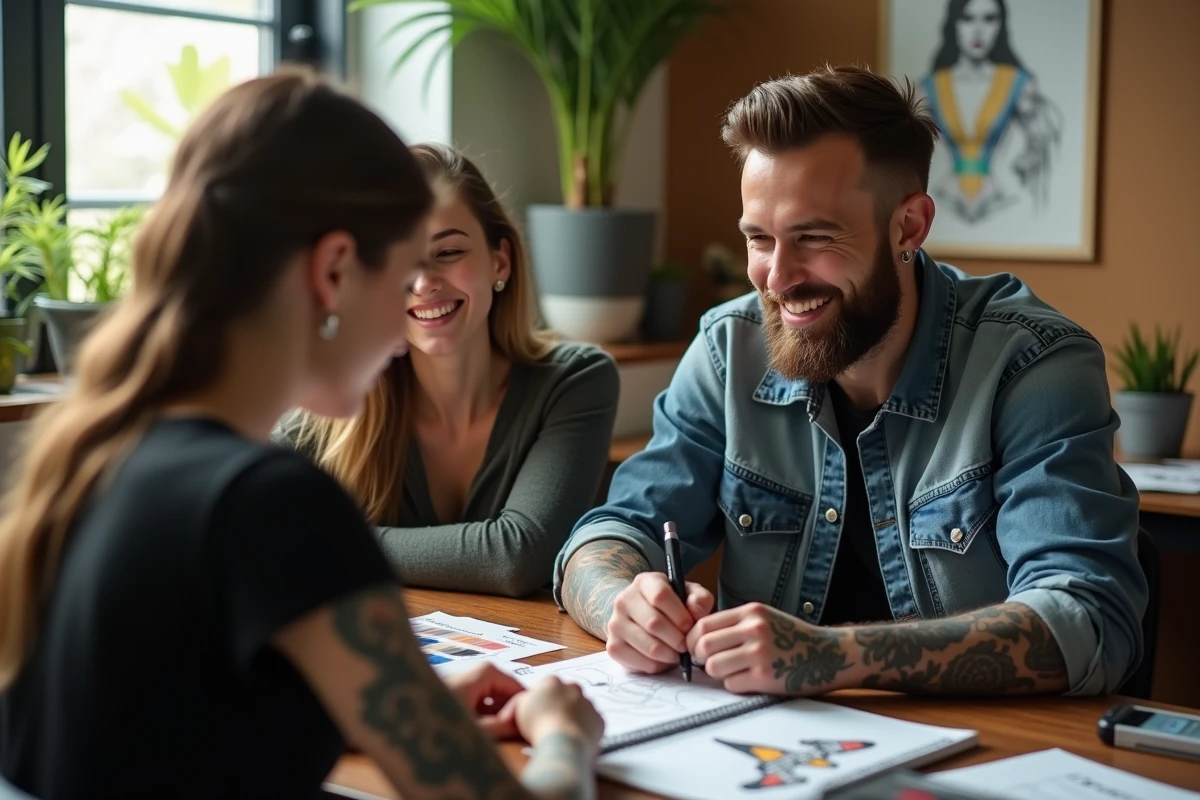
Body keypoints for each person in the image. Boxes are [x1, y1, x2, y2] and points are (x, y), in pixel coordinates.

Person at [0, 70, 602, 799]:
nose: (414, 304)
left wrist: (380, 713)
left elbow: (174, 730)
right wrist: (567, 733)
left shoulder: (103, 457)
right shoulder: (281, 507)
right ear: (334, 270)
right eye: (403, 269)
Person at [553, 64, 1147, 699]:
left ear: (909, 227)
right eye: (759, 239)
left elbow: (1089, 619)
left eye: (814, 237)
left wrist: (836, 655)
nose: (777, 280)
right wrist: (623, 601)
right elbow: (611, 533)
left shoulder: (1033, 365)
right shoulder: (730, 348)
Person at [275, 143, 619, 598]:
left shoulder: (576, 381)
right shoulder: (334, 402)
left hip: (534, 661)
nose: (423, 283)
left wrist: (338, 544)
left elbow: (516, 558)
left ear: (501, 260)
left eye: (448, 251)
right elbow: (265, 538)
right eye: (398, 261)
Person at [919, 0, 1064, 222]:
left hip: (1002, 199)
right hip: (942, 198)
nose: (978, 30)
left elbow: (1041, 141)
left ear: (1000, 25)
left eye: (989, 19)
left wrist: (1025, 161)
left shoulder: (1019, 83)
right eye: (968, 18)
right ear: (954, 23)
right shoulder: (931, 86)